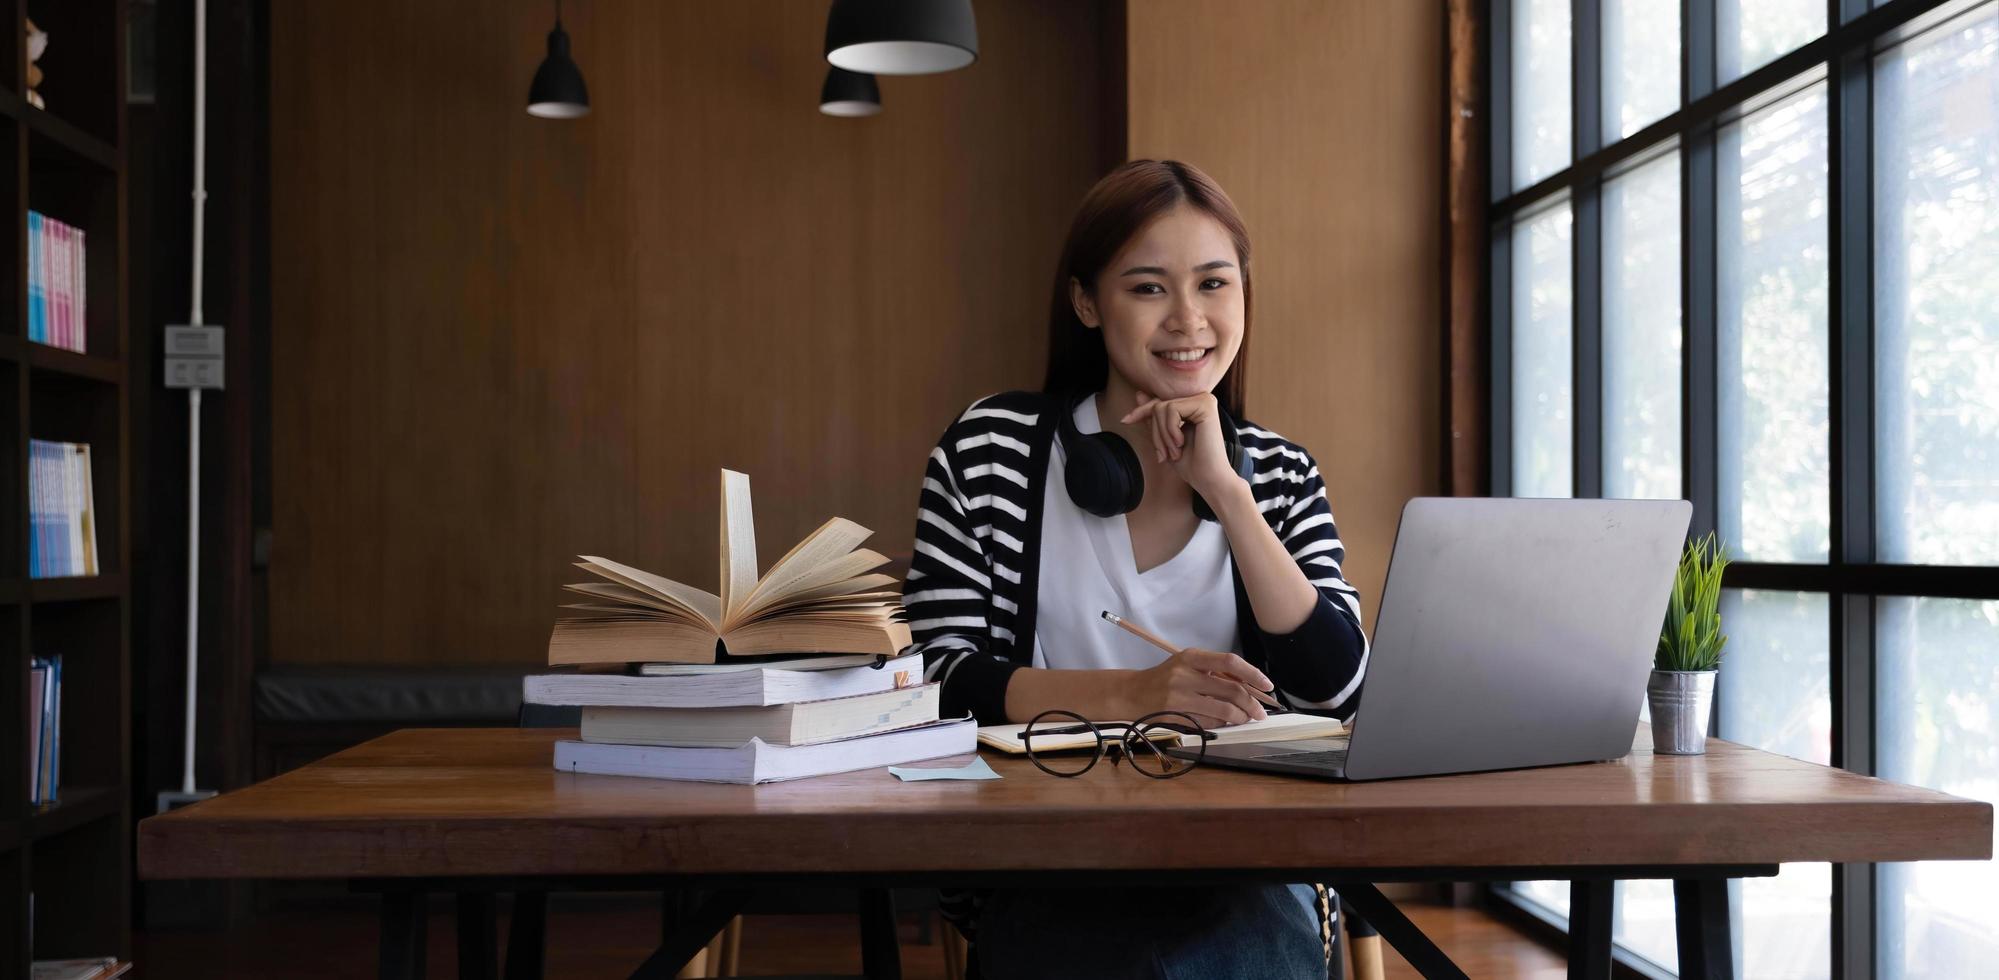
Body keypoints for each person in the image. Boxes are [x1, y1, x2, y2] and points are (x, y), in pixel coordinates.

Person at [902, 159, 1370, 979]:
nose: (1188, 320)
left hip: (1246, 858)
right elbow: (934, 681)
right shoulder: (991, 451)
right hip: (1041, 851)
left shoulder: (1279, 473)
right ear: (1087, 302)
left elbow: (1336, 689)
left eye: (1214, 285)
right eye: (1148, 288)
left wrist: (1228, 495)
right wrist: (1134, 696)